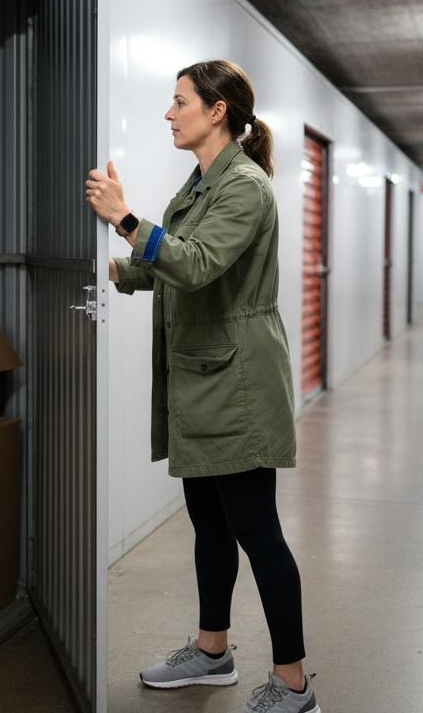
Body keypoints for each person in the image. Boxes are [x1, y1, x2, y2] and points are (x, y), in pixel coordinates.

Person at [85, 61, 317, 713]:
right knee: (209, 527)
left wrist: (125, 218)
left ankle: (294, 684)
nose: (169, 112)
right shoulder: (201, 184)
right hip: (202, 379)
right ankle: (212, 652)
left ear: (217, 111)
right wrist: (113, 265)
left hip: (237, 386)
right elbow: (172, 263)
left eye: (180, 100)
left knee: (258, 533)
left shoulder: (245, 187)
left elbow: (195, 263)